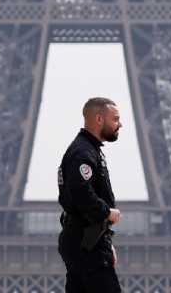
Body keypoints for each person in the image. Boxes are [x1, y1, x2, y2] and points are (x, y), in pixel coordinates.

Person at [57, 97, 123, 292]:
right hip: (87, 244)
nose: (120, 124)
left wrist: (104, 240)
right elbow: (80, 193)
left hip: (86, 240)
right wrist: (106, 213)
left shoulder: (88, 150)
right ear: (99, 119)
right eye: (115, 119)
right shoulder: (83, 153)